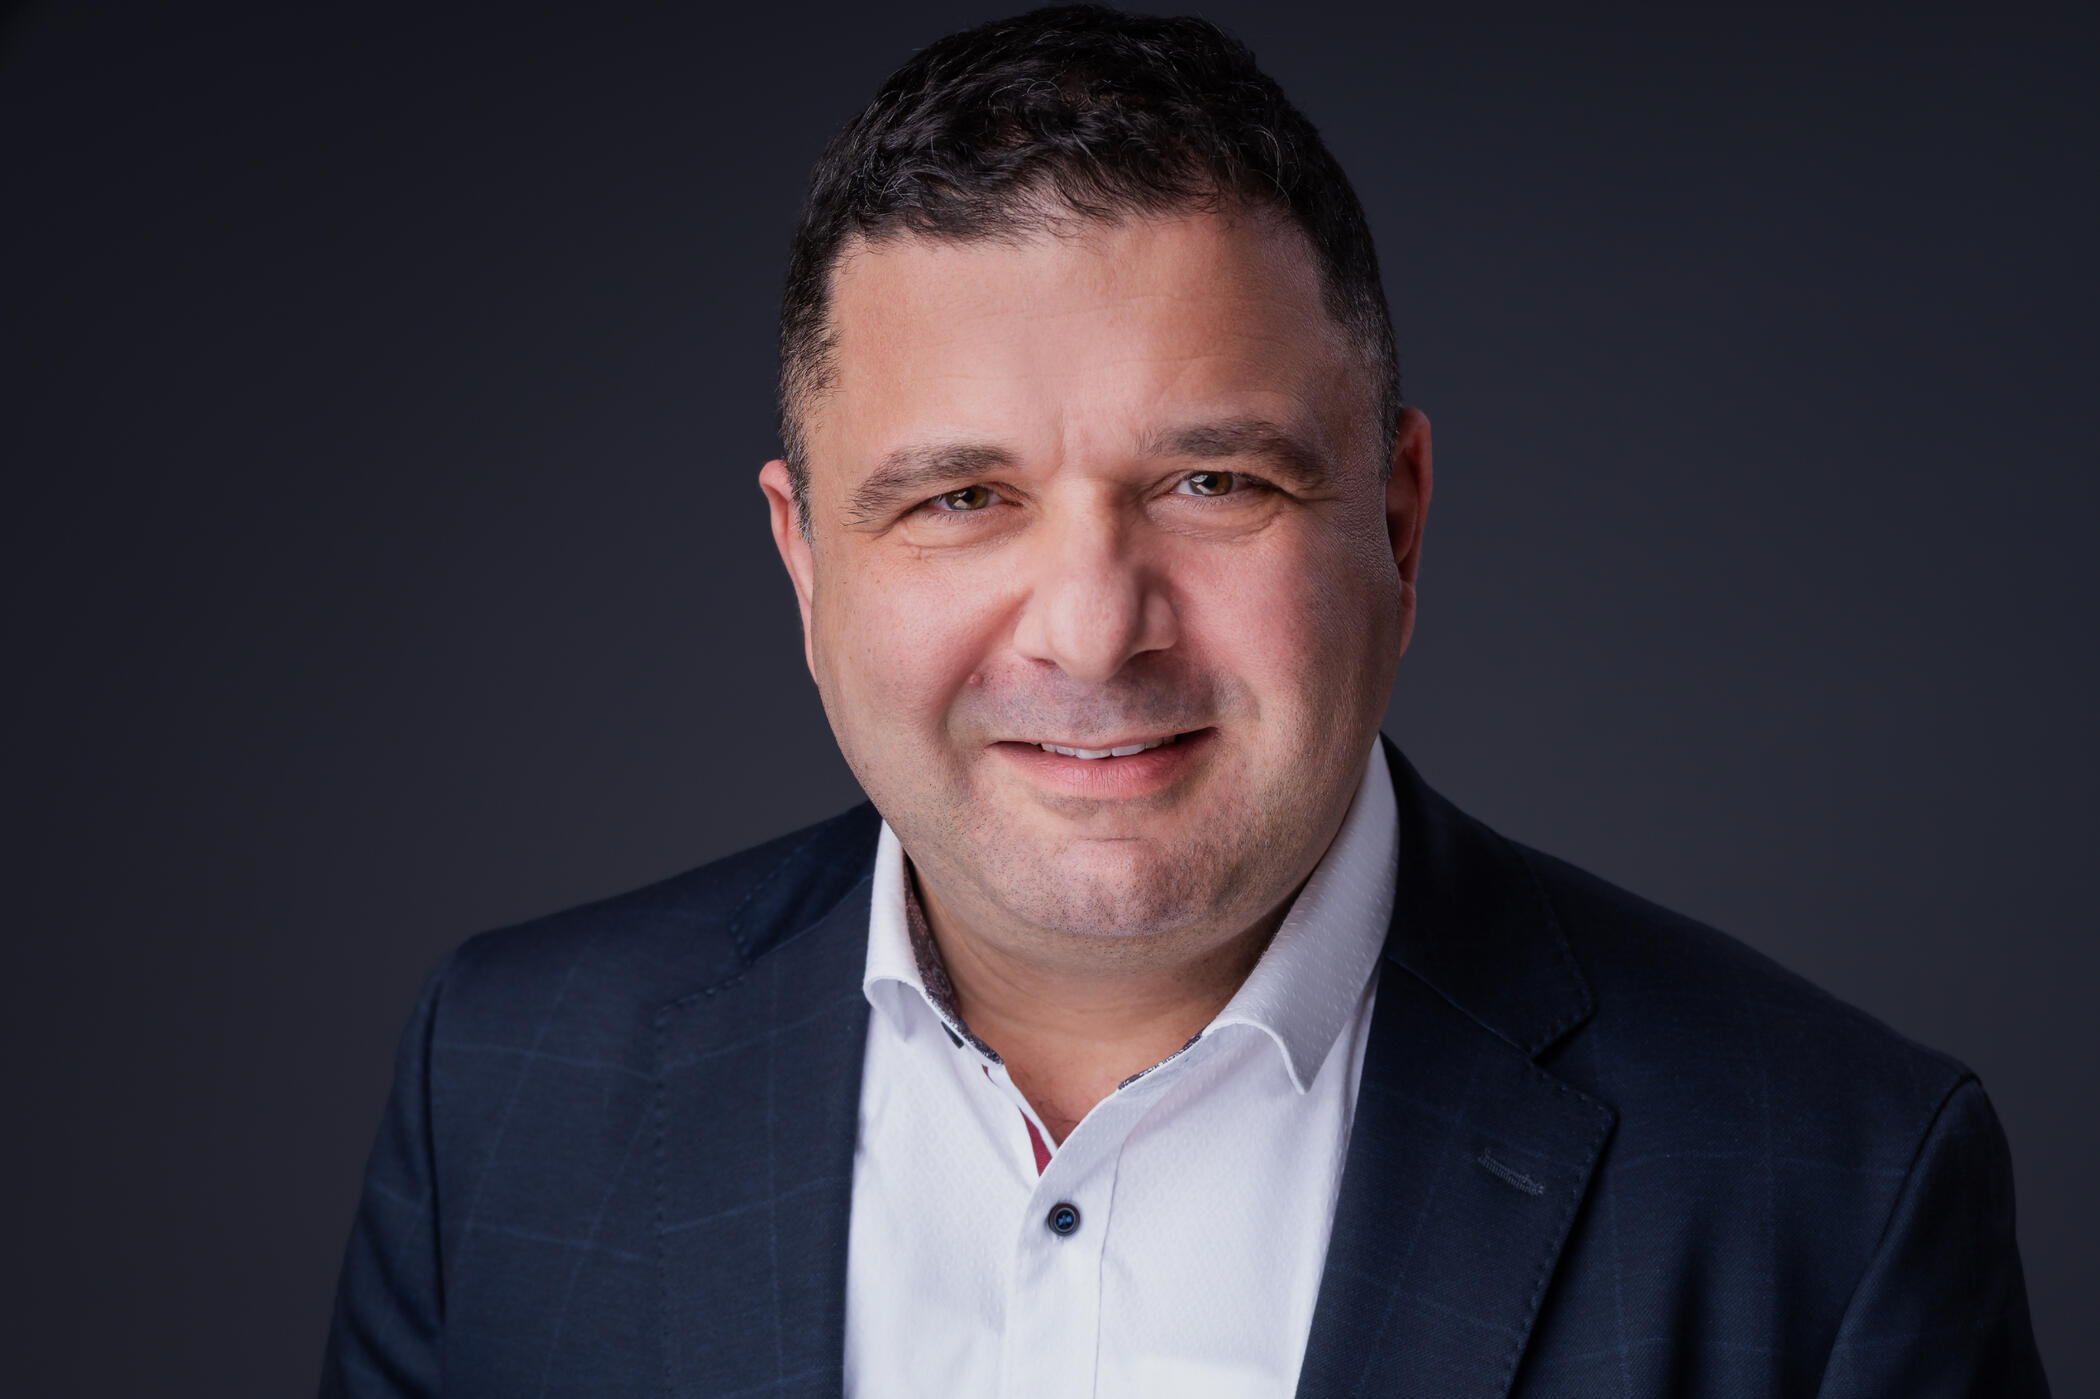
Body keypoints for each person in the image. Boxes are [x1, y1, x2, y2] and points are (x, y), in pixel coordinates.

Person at [320, 7, 2048, 1396]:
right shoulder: (506, 1089)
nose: (1093, 633)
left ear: (1397, 521)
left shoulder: (1834, 1195)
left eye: (1214, 482)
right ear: (805, 563)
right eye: (960, 498)